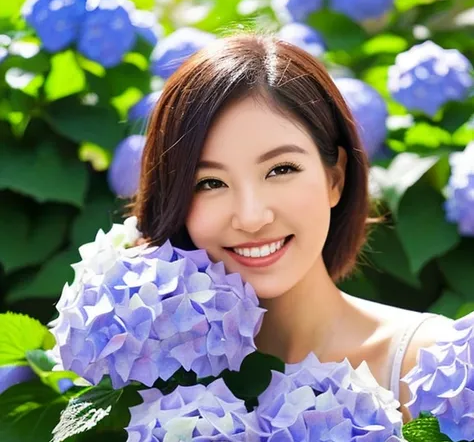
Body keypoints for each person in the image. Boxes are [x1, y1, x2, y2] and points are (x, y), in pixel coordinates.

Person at [131, 29, 454, 421]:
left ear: (335, 178)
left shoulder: (432, 367)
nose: (251, 217)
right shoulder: (151, 376)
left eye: (281, 169)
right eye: (210, 183)